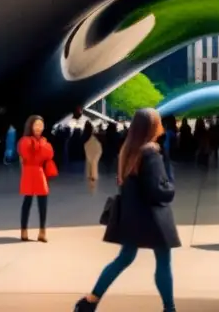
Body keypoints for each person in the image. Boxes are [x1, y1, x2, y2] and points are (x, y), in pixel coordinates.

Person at [74, 109, 179, 312]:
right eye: (158, 122)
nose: (161, 126)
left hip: (132, 215)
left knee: (124, 258)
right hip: (154, 217)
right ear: (150, 127)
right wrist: (170, 186)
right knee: (163, 260)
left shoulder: (128, 150)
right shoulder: (151, 153)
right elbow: (158, 189)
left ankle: (90, 300)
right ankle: (170, 308)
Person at [18, 115, 57, 242]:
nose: (39, 128)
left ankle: (42, 231)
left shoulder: (43, 141)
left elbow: (48, 154)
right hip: (29, 172)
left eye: (41, 125)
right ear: (30, 126)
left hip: (40, 172)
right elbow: (27, 153)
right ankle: (24, 230)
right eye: (36, 125)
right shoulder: (25, 140)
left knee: (43, 202)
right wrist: (39, 146)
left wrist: (39, 146)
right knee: (27, 202)